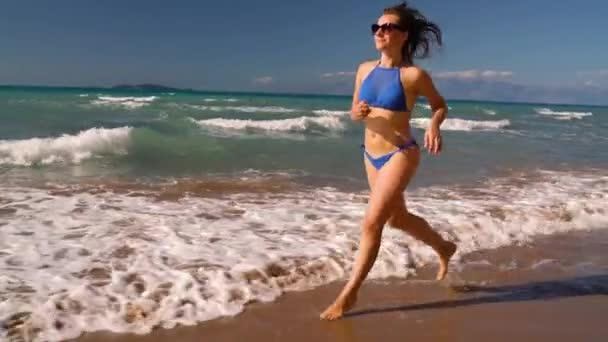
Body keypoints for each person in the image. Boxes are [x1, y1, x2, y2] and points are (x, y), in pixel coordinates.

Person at [320, 1, 457, 320]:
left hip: (401, 153)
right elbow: (355, 110)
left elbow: (439, 105)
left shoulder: (413, 75)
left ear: (403, 36)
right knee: (397, 218)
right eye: (377, 27)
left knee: (372, 222)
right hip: (370, 155)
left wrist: (434, 125)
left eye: (388, 27)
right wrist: (355, 113)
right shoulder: (364, 69)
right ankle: (443, 247)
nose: (380, 31)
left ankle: (349, 293)